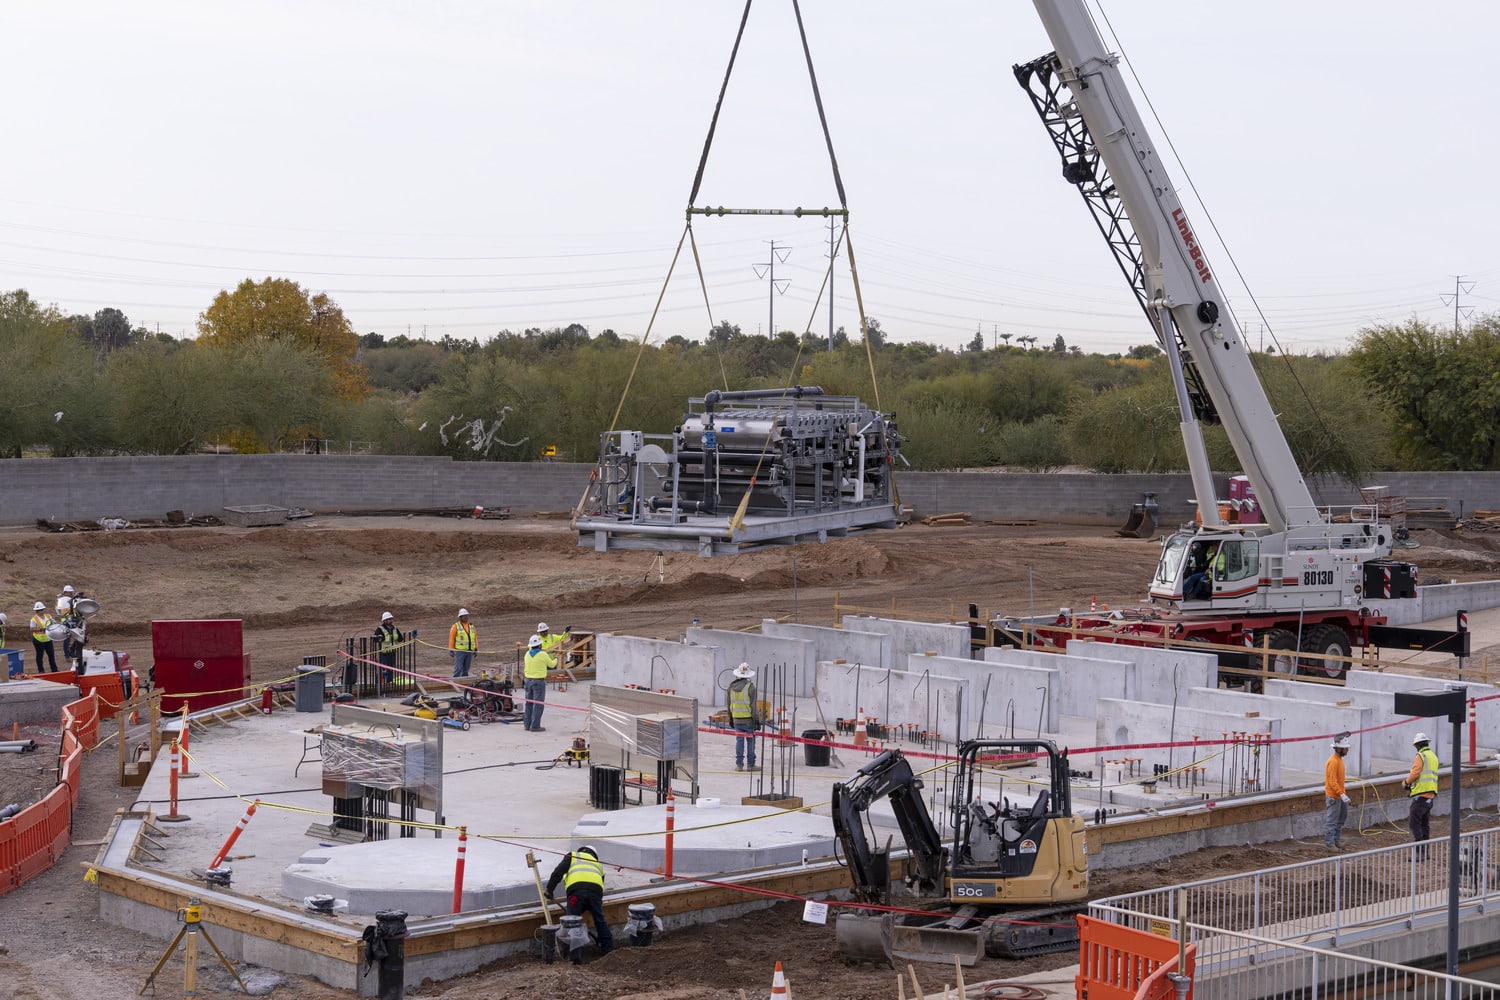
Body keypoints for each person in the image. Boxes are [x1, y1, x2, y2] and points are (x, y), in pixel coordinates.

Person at [545, 845, 613, 959]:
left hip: (576, 894)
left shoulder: (573, 856)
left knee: (571, 922)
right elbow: (600, 885)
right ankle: (609, 950)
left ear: (581, 850)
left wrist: (549, 890)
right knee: (600, 921)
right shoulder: (598, 864)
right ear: (594, 855)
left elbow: (558, 872)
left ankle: (572, 955)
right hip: (595, 894)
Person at [1402, 731, 1440, 855]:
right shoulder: (1433, 756)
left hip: (1422, 795)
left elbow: (1415, 773)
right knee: (1424, 824)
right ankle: (1425, 851)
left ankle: (1419, 850)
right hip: (1430, 795)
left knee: (1414, 822)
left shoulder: (1421, 756)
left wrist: (1406, 782)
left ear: (1417, 745)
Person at [727, 662, 762, 772]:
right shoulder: (750, 687)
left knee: (739, 741)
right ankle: (751, 765)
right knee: (750, 741)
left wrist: (730, 718)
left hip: (736, 719)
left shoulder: (731, 687)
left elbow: (729, 705)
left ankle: (739, 765)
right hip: (748, 720)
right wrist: (757, 720)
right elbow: (753, 706)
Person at [522, 634, 557, 732]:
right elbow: (552, 665)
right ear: (540, 645)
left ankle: (527, 724)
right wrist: (556, 659)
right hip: (538, 681)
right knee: (538, 704)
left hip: (527, 681)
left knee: (528, 703)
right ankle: (535, 726)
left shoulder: (527, 654)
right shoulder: (543, 654)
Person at [1324, 734, 1352, 850]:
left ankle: (1335, 841)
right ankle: (1330, 845)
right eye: (1345, 748)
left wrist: (1342, 794)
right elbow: (1332, 781)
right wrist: (1341, 794)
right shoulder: (1334, 762)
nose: (1347, 750)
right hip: (1334, 797)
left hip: (1339, 796)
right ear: (1339, 748)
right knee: (1331, 822)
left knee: (1340, 820)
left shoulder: (1338, 760)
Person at [374, 611, 403, 683]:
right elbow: (374, 639)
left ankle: (389, 682)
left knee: (391, 668)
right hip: (384, 653)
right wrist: (380, 638)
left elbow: (400, 638)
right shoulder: (380, 629)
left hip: (392, 652)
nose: (390, 621)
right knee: (383, 668)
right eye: (388, 619)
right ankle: (380, 683)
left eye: (391, 619)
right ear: (384, 621)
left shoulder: (395, 628)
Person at [29, 601, 58, 674]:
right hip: (38, 640)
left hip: (48, 638)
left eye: (43, 609)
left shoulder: (48, 616)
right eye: (41, 610)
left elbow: (54, 622)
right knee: (39, 655)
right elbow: (32, 629)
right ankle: (41, 670)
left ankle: (54, 669)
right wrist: (40, 629)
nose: (42, 611)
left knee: (51, 655)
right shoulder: (34, 619)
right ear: (37, 611)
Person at [448, 609, 476, 679]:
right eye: (464, 616)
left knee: (466, 669)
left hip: (469, 651)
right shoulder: (456, 626)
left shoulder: (471, 626)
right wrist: (451, 649)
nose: (466, 617)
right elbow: (451, 638)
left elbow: (475, 638)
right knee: (458, 668)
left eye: (467, 616)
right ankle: (455, 681)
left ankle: (464, 682)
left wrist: (475, 649)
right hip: (460, 651)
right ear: (460, 617)